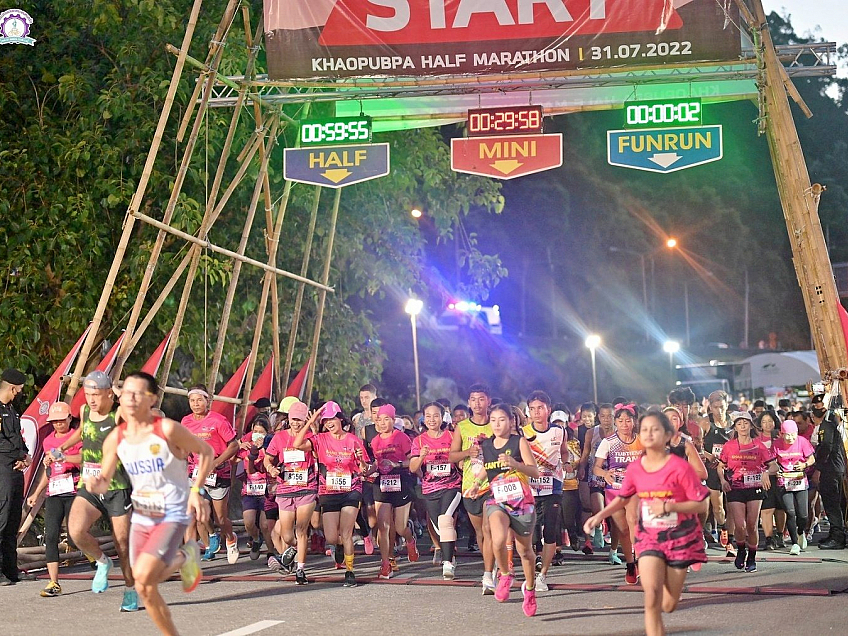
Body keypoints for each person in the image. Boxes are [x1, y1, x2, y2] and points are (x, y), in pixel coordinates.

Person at [86, 371, 211, 636]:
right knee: (144, 588)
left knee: (143, 574)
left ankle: (187, 554)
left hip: (172, 512)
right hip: (142, 515)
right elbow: (105, 478)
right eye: (126, 392)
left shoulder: (166, 430)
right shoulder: (116, 438)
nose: (129, 398)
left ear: (151, 399)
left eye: (136, 393)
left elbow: (206, 452)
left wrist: (195, 491)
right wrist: (96, 483)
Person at [585, 411, 709, 636]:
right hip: (649, 538)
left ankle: (671, 589)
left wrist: (670, 507)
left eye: (655, 429)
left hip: (679, 538)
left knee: (668, 604)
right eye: (645, 430)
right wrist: (599, 515)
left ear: (667, 435)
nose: (649, 434)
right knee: (651, 599)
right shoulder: (636, 468)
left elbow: (701, 504)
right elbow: (622, 497)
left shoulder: (680, 467)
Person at [62, 371, 136, 609]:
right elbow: (83, 433)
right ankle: (102, 562)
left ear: (108, 394)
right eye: (88, 394)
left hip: (116, 487)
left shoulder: (118, 415)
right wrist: (62, 448)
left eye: (96, 394)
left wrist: (118, 393)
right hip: (90, 484)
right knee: (75, 530)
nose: (91, 399)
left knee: (122, 543)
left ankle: (130, 590)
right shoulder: (85, 411)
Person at [466, 403, 539, 617]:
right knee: (496, 539)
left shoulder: (520, 442)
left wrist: (514, 463)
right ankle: (505, 574)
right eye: (494, 420)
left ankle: (530, 589)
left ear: (511, 421)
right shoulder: (487, 445)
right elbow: (487, 470)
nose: (497, 424)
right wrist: (477, 484)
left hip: (521, 502)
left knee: (525, 551)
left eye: (502, 420)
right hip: (496, 499)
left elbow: (534, 471)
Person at [292, 401, 369, 587]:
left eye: (333, 419)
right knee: (332, 538)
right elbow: (297, 444)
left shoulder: (353, 440)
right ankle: (339, 547)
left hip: (351, 490)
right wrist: (310, 423)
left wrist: (361, 461)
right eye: (326, 420)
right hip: (328, 491)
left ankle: (350, 572)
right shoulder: (320, 439)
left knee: (346, 532)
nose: (330, 423)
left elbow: (365, 469)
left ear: (340, 419)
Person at [26, 401, 82, 597]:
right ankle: (54, 582)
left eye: (62, 420)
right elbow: (47, 470)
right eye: (55, 421)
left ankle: (96, 556)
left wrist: (65, 457)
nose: (59, 424)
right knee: (50, 536)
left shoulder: (77, 436)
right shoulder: (48, 441)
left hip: (75, 490)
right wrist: (36, 493)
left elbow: (85, 458)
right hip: (54, 492)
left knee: (76, 534)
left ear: (69, 419)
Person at [180, 385, 239, 563]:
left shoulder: (218, 421)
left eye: (200, 400)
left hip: (218, 474)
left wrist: (216, 462)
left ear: (208, 401)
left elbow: (234, 445)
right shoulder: (186, 422)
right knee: (196, 512)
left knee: (221, 517)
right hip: (196, 474)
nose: (196, 404)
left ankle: (230, 538)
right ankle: (211, 537)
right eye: (192, 400)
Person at [265, 400, 318, 585]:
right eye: (293, 419)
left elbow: (319, 455)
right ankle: (296, 549)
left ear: (305, 420)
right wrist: (271, 469)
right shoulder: (279, 437)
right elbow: (267, 459)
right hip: (285, 489)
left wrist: (315, 430)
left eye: (300, 420)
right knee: (287, 535)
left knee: (301, 530)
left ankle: (301, 569)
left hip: (306, 487)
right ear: (288, 418)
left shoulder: (311, 437)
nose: (296, 423)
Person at [449, 383, 496, 594]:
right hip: (470, 485)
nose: (477, 404)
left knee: (488, 528)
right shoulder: (462, 427)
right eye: (474, 399)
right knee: (480, 531)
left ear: (489, 401)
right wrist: (468, 452)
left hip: (492, 485)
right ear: (469, 403)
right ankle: (490, 562)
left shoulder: (495, 424)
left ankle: (489, 573)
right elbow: (452, 456)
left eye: (481, 399)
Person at [718, 411, 777, 572]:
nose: (743, 426)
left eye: (745, 423)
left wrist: (766, 473)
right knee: (740, 525)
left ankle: (752, 557)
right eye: (739, 424)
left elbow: (774, 466)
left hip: (755, 487)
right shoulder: (729, 446)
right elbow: (720, 466)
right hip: (735, 488)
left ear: (751, 425)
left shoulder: (759, 445)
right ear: (735, 427)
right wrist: (723, 481)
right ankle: (741, 550)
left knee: (751, 525)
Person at [410, 402, 462, 579]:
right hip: (430, 488)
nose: (432, 419)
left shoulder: (452, 436)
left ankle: (447, 564)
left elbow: (460, 459)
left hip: (452, 485)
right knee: (440, 528)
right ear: (424, 418)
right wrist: (422, 456)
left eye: (436, 416)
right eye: (428, 416)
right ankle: (451, 557)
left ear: (442, 417)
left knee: (445, 520)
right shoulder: (419, 440)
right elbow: (412, 467)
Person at [593, 403, 643, 582]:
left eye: (628, 420)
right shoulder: (609, 442)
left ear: (634, 422)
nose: (624, 424)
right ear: (615, 422)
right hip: (614, 490)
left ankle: (639, 560)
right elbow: (596, 468)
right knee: (622, 529)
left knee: (633, 520)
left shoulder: (642, 440)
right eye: (620, 421)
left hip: (635, 489)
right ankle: (630, 564)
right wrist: (605, 473)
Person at [522, 390, 564, 592]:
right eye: (532, 409)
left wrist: (567, 464)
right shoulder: (523, 433)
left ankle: (543, 575)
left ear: (549, 409)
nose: (536, 412)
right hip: (529, 488)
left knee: (550, 530)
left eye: (540, 408)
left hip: (553, 486)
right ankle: (530, 569)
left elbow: (563, 453)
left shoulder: (558, 431)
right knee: (530, 531)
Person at [370, 403, 418, 578]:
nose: (382, 423)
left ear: (393, 420)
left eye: (386, 419)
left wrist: (395, 464)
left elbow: (411, 462)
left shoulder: (402, 437)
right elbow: (376, 463)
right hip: (382, 484)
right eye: (379, 420)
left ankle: (410, 540)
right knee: (383, 527)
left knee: (399, 527)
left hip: (401, 481)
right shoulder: (375, 441)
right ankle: (385, 564)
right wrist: (366, 471)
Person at [0, 368, 33, 586]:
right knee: (1, 521)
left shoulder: (12, 410)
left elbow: (16, 440)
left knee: (12, 521)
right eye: (19, 390)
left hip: (14, 471)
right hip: (2, 469)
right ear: (12, 388)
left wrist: (25, 456)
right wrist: (20, 455)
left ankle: (11, 570)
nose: (19, 394)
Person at [773, 420, 816, 555]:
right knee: (790, 512)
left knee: (803, 514)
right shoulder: (776, 444)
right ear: (781, 434)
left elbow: (812, 459)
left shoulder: (802, 441)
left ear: (797, 433)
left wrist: (804, 465)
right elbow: (771, 462)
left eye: (793, 435)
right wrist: (776, 470)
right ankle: (795, 543)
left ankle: (800, 532)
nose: (790, 438)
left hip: (800, 481)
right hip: (784, 482)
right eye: (787, 435)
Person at [810, 393, 847, 549]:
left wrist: (818, 469)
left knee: (832, 505)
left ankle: (838, 538)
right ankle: (834, 533)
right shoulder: (827, 426)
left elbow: (826, 448)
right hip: (833, 469)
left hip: (830, 470)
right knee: (832, 504)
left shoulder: (826, 426)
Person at [701, 390, 735, 555]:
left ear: (727, 405)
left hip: (732, 469)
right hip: (713, 470)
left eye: (721, 407)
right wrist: (709, 455)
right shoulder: (705, 423)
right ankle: (723, 529)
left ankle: (731, 537)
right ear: (710, 408)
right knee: (718, 507)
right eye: (715, 407)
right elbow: (696, 446)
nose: (719, 410)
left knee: (734, 506)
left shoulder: (733, 422)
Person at [236, 419, 273, 561]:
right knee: (249, 523)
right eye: (255, 432)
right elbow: (233, 459)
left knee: (265, 525)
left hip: (266, 491)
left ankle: (271, 553)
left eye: (261, 432)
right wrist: (238, 445)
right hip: (249, 491)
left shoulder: (270, 447)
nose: (257, 435)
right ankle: (256, 539)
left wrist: (262, 448)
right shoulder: (247, 447)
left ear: (267, 433)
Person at [756, 411, 786, 550]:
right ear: (760, 424)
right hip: (764, 477)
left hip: (781, 476)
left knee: (780, 508)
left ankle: (780, 534)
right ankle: (769, 538)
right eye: (764, 421)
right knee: (767, 508)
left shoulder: (781, 436)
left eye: (770, 421)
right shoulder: (756, 439)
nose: (767, 424)